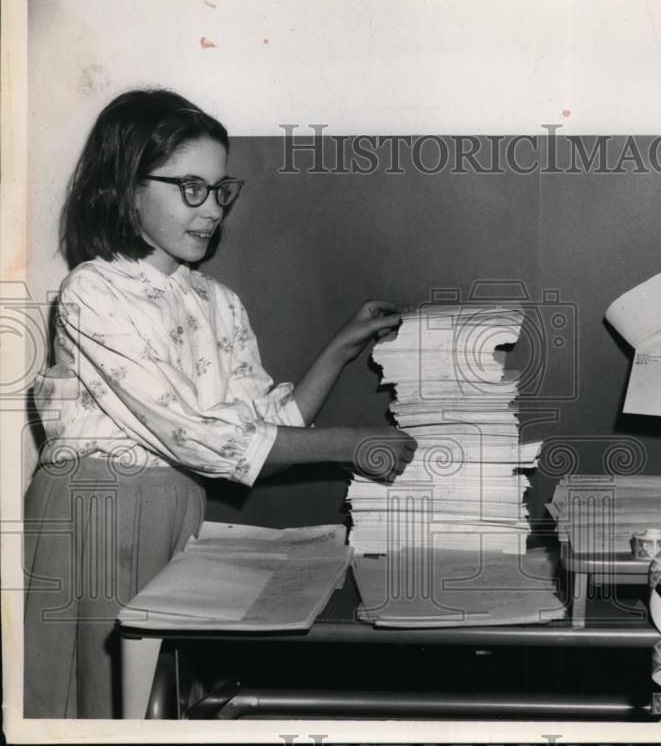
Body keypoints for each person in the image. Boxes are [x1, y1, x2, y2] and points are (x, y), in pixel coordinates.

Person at [23, 89, 417, 718]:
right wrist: (349, 444)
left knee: (157, 700)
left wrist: (341, 348)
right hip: (97, 514)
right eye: (190, 188)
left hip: (177, 510)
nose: (210, 210)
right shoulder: (92, 290)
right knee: (91, 706)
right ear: (125, 189)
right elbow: (199, 438)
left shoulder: (217, 301)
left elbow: (267, 432)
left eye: (219, 189)